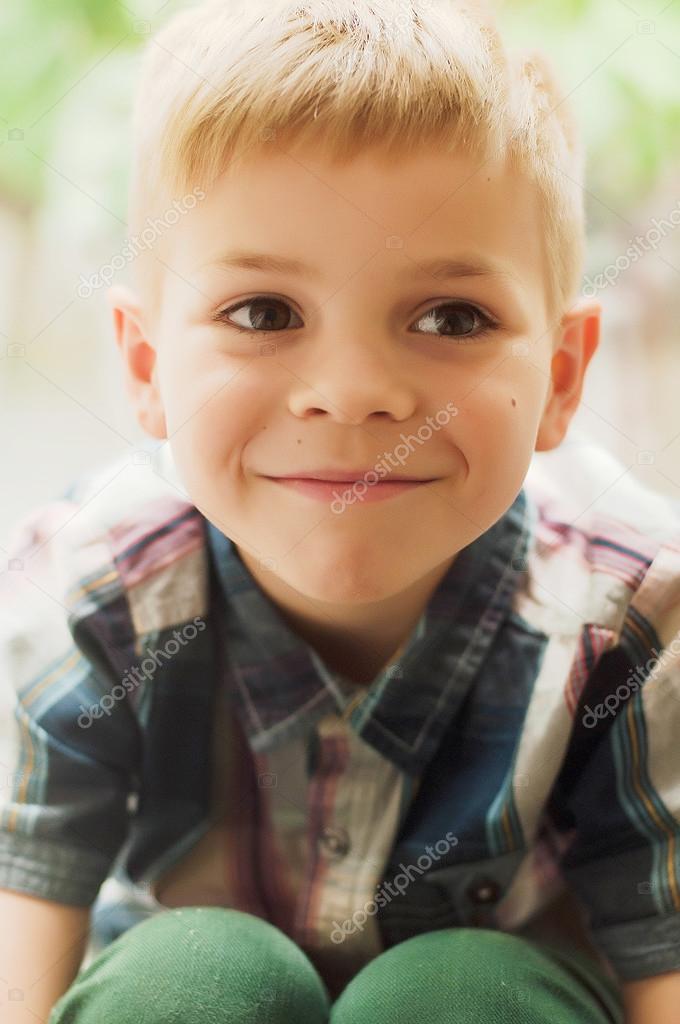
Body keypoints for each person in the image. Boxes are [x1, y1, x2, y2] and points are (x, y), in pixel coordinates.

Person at [1, 1, 679, 1021]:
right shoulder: (94, 589)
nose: (353, 389)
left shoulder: (628, 615)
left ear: (558, 375)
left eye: (450, 317)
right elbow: (27, 917)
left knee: (460, 990)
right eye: (262, 313)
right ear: (146, 368)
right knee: (189, 978)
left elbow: (659, 952)